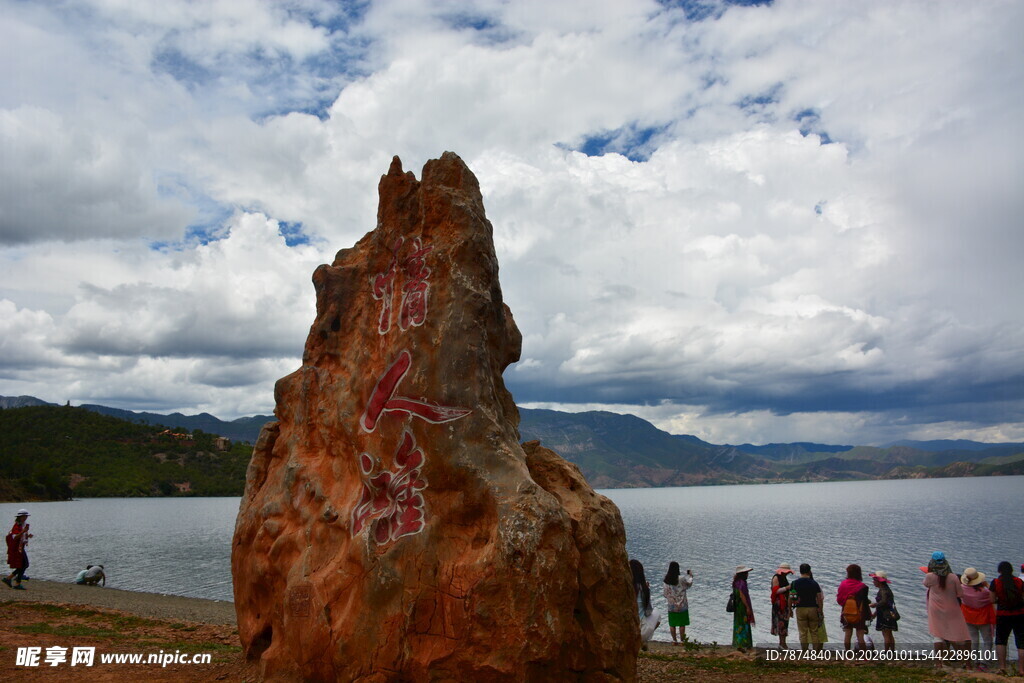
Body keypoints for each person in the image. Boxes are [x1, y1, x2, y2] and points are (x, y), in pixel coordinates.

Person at [922, 551, 970, 663]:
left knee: (937, 635)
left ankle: (939, 663)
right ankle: (967, 663)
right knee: (958, 635)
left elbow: (925, 584)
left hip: (935, 609)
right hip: (952, 609)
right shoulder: (953, 577)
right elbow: (960, 594)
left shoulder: (930, 577)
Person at [991, 561, 1024, 676]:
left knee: (1001, 641)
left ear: (999, 571)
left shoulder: (996, 582)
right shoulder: (1019, 582)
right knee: (1021, 643)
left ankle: (1002, 668)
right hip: (1019, 614)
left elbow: (992, 599)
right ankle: (1021, 670)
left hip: (1002, 615)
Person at [959, 567, 994, 670]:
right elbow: (993, 597)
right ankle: (984, 662)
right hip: (983, 618)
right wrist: (987, 585)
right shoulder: (984, 592)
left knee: (973, 640)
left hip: (968, 617)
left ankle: (975, 660)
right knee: (987, 640)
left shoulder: (962, 588)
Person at [837, 563, 871, 650]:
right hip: (860, 614)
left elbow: (839, 600)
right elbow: (865, 603)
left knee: (847, 634)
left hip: (846, 612)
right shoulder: (863, 587)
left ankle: (847, 654)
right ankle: (864, 656)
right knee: (860, 636)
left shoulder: (843, 584)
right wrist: (868, 616)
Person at [791, 563, 824, 651]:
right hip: (813, 608)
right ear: (809, 571)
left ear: (800, 571)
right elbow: (819, 598)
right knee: (814, 632)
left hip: (800, 608)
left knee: (803, 632)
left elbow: (791, 598)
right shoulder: (814, 583)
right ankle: (816, 652)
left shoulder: (794, 583)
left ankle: (804, 651)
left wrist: (789, 609)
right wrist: (820, 610)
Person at [630, 559, 659, 650]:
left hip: (628, 627)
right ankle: (643, 640)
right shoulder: (644, 589)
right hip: (641, 630)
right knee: (657, 613)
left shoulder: (627, 587)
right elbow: (648, 611)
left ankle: (641, 641)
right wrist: (647, 590)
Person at [662, 561, 693, 645]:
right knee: (682, 624)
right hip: (682, 605)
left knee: (672, 624)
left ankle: (674, 640)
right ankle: (682, 641)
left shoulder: (666, 580)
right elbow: (689, 584)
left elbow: (665, 594)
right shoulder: (681, 578)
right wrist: (690, 575)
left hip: (671, 606)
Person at [3, 509, 32, 590]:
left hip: (20, 547)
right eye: (23, 516)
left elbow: (21, 536)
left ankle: (10, 579)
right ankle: (15, 582)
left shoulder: (22, 524)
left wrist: (27, 535)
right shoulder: (17, 525)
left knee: (23, 565)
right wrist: (23, 531)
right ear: (19, 517)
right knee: (24, 564)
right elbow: (15, 537)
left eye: (26, 516)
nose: (25, 518)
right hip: (17, 548)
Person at [868, 570, 898, 651]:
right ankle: (892, 652)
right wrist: (874, 615)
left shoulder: (883, 590)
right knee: (889, 634)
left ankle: (886, 652)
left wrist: (874, 605)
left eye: (874, 580)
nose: (873, 582)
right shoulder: (885, 589)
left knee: (886, 634)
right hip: (889, 614)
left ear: (879, 581)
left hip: (885, 615)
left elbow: (883, 602)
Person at [770, 562, 794, 649]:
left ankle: (782, 643)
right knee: (782, 623)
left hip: (784, 602)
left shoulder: (783, 578)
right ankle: (782, 643)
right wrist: (787, 588)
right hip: (779, 604)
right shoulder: (776, 578)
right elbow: (775, 591)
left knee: (784, 623)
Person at [732, 565, 754, 650]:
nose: (747, 575)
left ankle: (738, 643)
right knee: (744, 623)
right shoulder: (742, 583)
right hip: (742, 606)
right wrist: (747, 607)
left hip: (737, 606)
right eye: (746, 573)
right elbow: (742, 595)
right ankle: (743, 643)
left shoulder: (736, 582)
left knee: (738, 623)